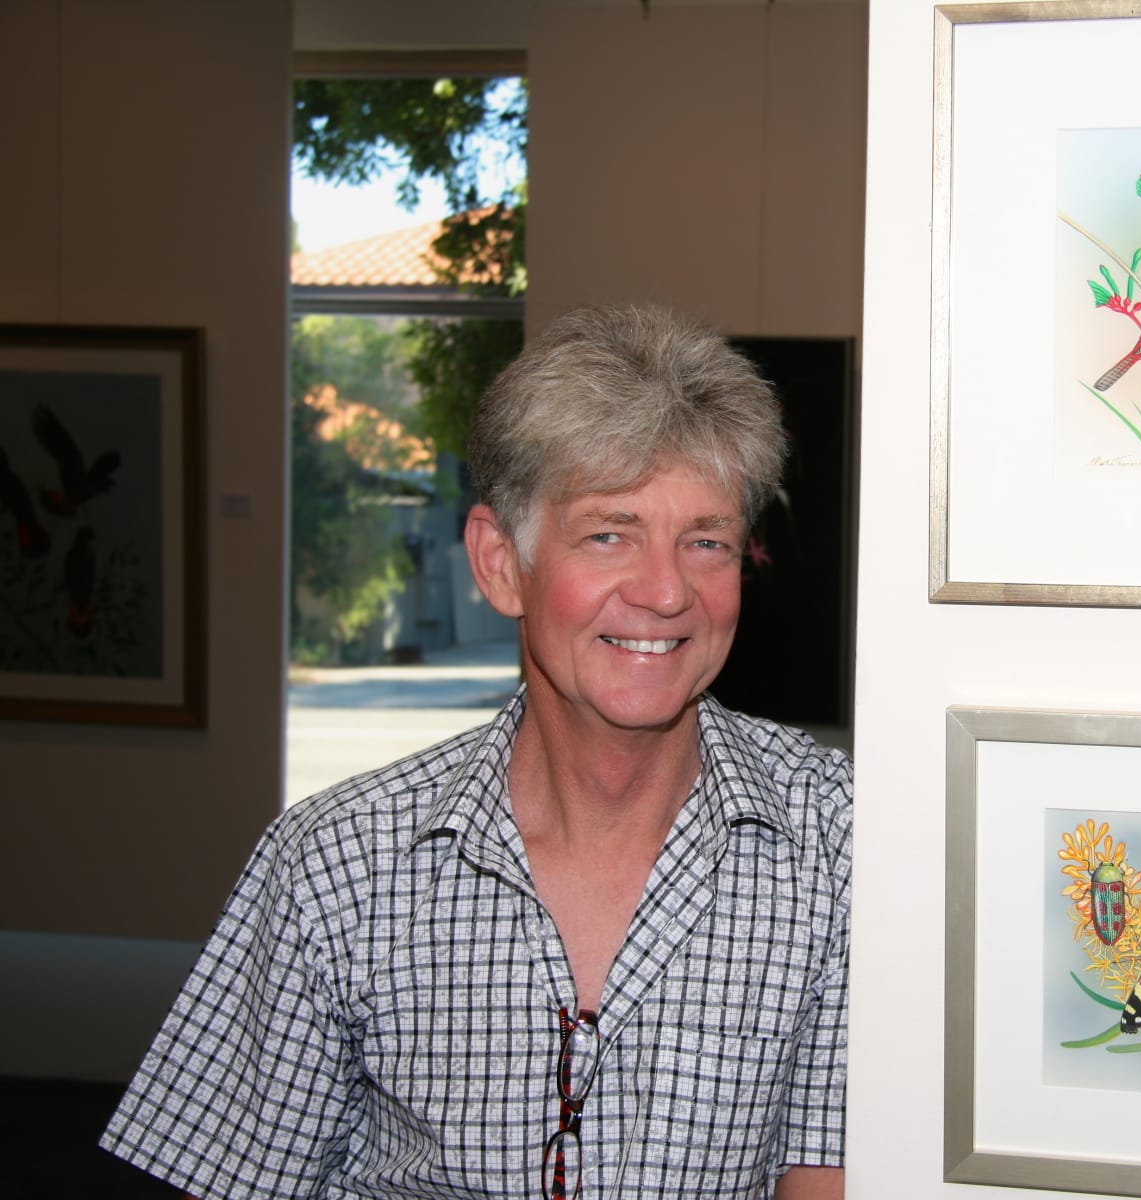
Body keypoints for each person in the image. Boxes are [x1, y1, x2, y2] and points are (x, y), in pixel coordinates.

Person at [100, 306, 851, 1199]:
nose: (665, 591)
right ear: (501, 563)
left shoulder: (840, 839)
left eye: (707, 541)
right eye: (609, 532)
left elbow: (827, 1176)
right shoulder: (339, 864)